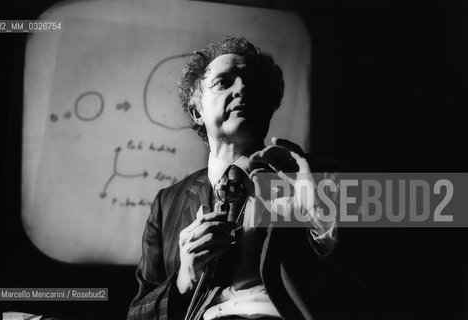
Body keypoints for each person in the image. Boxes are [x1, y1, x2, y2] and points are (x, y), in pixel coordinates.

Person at [127, 37, 363, 320]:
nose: (242, 89)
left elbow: (385, 275)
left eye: (252, 83)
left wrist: (322, 216)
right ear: (196, 111)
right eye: (223, 82)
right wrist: (183, 280)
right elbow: (136, 314)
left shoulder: (323, 179)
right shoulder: (167, 202)